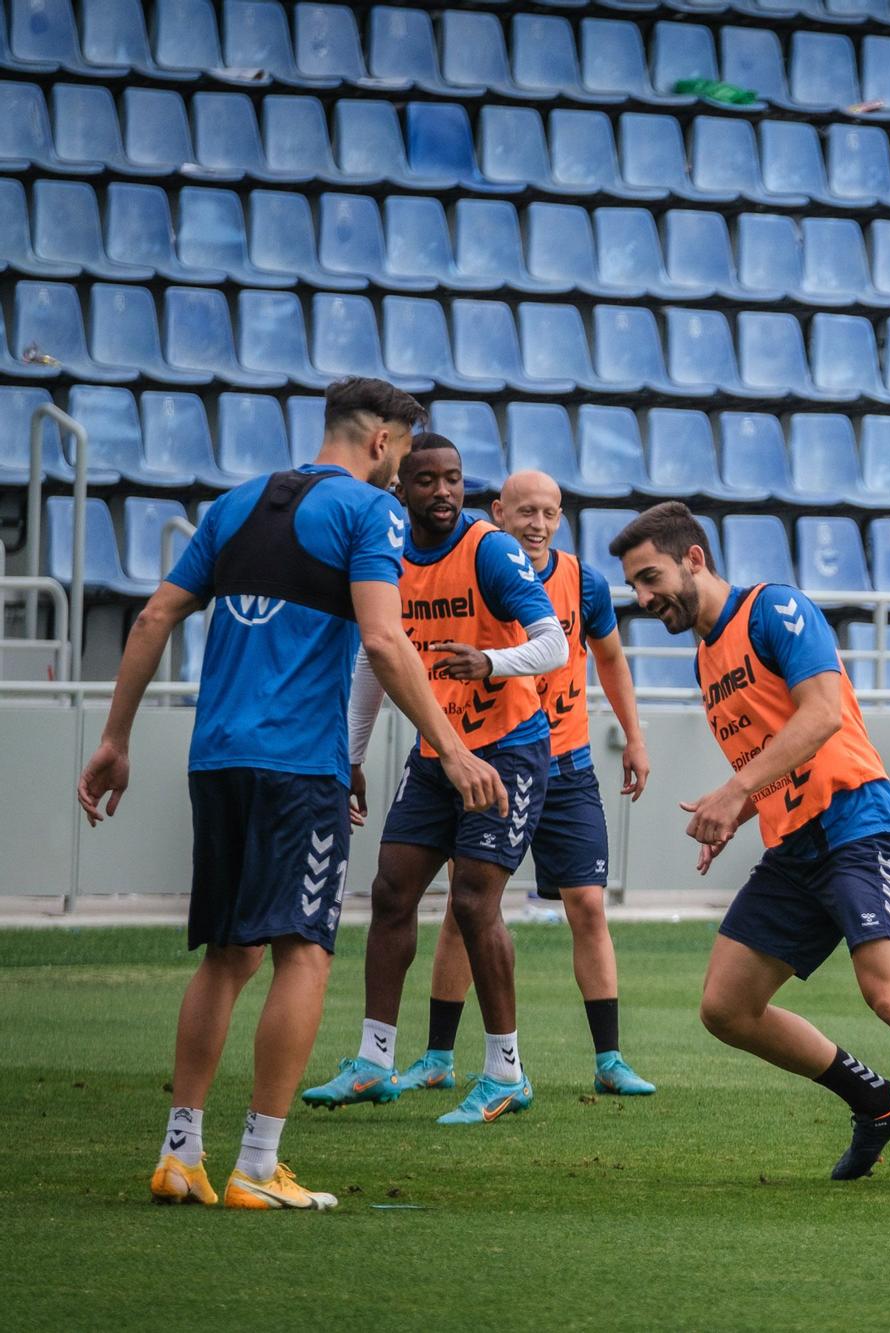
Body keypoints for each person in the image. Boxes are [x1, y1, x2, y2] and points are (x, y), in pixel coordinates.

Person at [78, 378, 506, 1211]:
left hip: (218, 759)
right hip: (296, 767)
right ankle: (257, 1163)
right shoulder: (369, 512)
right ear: (382, 441)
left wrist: (115, 738)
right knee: (303, 951)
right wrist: (451, 749)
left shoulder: (233, 504)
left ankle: (180, 1153)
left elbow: (152, 620)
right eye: (405, 452)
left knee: (228, 956)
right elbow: (383, 639)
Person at [612, 501, 890, 1194]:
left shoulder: (775, 610)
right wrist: (742, 808)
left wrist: (734, 791)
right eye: (635, 587)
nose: (643, 599)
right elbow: (771, 746)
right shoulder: (707, 657)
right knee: (726, 1007)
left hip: (857, 824)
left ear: (693, 558)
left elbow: (821, 714)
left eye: (650, 577)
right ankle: (879, 1102)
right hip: (794, 846)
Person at [304, 435, 567, 1125]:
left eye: (453, 479)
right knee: (391, 890)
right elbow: (374, 659)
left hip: (509, 748)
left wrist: (490, 661)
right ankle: (373, 1060)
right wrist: (350, 756)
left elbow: (554, 643)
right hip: (435, 753)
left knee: (475, 902)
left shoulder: (490, 549)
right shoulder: (386, 556)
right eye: (428, 480)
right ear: (403, 490)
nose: (444, 491)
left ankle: (506, 1071)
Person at [398, 471, 656, 1097]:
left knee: (588, 906)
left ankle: (610, 1059)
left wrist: (635, 737)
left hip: (566, 767)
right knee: (467, 907)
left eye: (549, 513)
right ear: (498, 513)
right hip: (497, 760)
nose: (537, 524)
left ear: (560, 519)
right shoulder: (479, 571)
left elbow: (612, 658)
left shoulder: (584, 582)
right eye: (525, 512)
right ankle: (437, 1056)